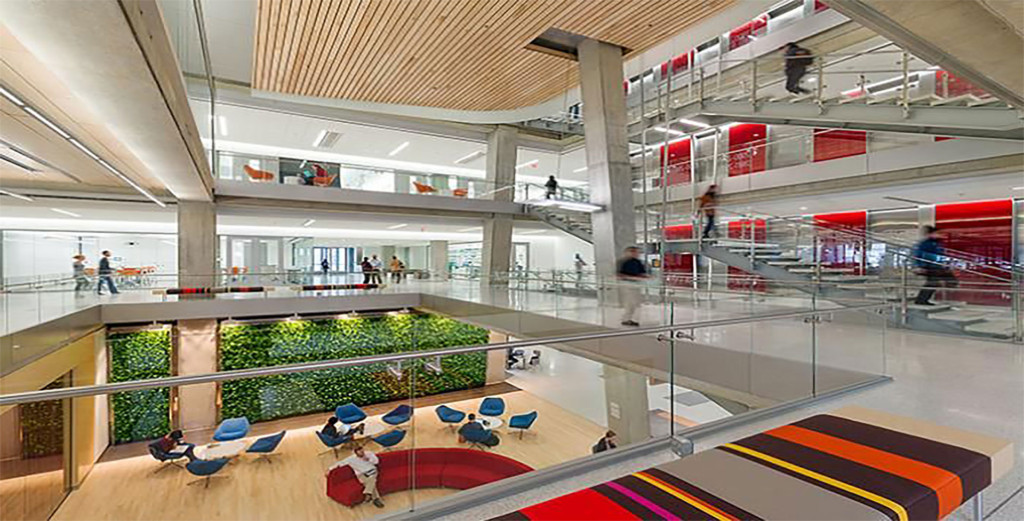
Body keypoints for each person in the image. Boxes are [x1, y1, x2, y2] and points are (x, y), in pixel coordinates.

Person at [912, 226, 957, 305]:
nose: (940, 235)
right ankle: (921, 300)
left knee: (933, 282)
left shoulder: (936, 243)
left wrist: (944, 262)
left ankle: (922, 300)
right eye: (937, 233)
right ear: (931, 234)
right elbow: (919, 255)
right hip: (929, 266)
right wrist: (920, 266)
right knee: (933, 282)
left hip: (936, 266)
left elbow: (940, 254)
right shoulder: (926, 244)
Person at [617, 246, 649, 327]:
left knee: (635, 303)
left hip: (636, 284)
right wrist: (632, 277)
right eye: (632, 251)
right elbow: (619, 275)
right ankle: (628, 319)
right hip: (627, 284)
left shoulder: (638, 262)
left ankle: (630, 319)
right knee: (630, 303)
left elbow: (642, 273)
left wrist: (645, 277)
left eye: (636, 252)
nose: (636, 254)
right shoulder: (623, 262)